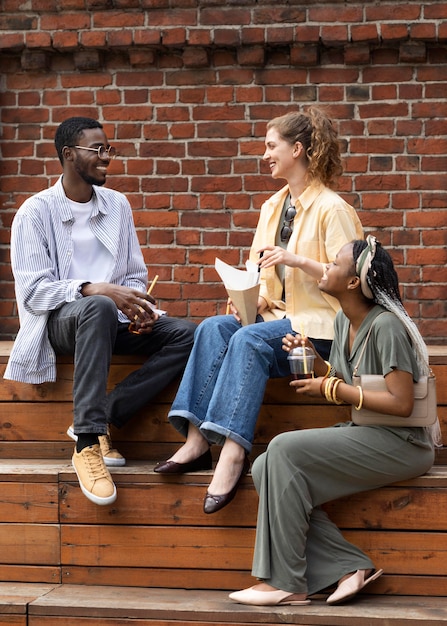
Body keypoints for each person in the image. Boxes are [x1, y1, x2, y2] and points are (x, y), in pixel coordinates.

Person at [154, 106, 364, 514]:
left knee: (248, 339)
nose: (265, 154)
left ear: (297, 149)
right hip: (278, 319)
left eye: (272, 146)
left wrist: (297, 260)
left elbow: (354, 279)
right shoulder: (272, 207)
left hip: (319, 330)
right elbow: (263, 275)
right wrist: (253, 297)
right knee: (214, 327)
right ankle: (197, 441)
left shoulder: (333, 209)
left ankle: (232, 452)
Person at [229, 236, 441, 607]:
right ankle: (348, 566)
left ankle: (285, 581)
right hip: (369, 431)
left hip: (403, 443)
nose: (325, 267)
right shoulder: (344, 321)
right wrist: (315, 359)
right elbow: (345, 377)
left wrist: (331, 389)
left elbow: (402, 403)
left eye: (334, 264)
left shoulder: (386, 326)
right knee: (265, 466)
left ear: (354, 282)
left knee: (281, 449)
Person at [4, 117, 196, 506]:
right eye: (97, 149)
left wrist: (138, 305)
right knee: (96, 307)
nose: (107, 157)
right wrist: (96, 290)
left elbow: (133, 274)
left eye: (109, 149)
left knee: (190, 334)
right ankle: (88, 445)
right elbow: (33, 294)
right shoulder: (34, 212)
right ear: (68, 155)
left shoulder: (117, 206)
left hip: (109, 319)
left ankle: (104, 414)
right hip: (57, 322)